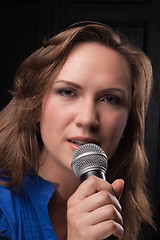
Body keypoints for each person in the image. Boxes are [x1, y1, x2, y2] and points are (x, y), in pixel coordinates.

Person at [0, 21, 154, 240]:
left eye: (110, 99)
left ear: (127, 124)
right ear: (35, 108)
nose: (87, 118)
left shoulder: (119, 208)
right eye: (68, 92)